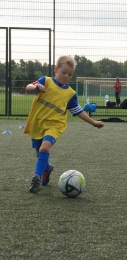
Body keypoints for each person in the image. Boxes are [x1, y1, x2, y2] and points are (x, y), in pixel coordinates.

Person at [24, 55, 104, 193]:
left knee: (45, 148)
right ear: (56, 69)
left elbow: (78, 111)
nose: (66, 76)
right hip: (38, 123)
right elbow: (29, 87)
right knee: (39, 153)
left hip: (55, 125)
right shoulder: (46, 81)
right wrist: (36, 87)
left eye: (70, 74)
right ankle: (47, 169)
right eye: (64, 72)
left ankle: (35, 177)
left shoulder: (70, 93)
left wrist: (93, 122)